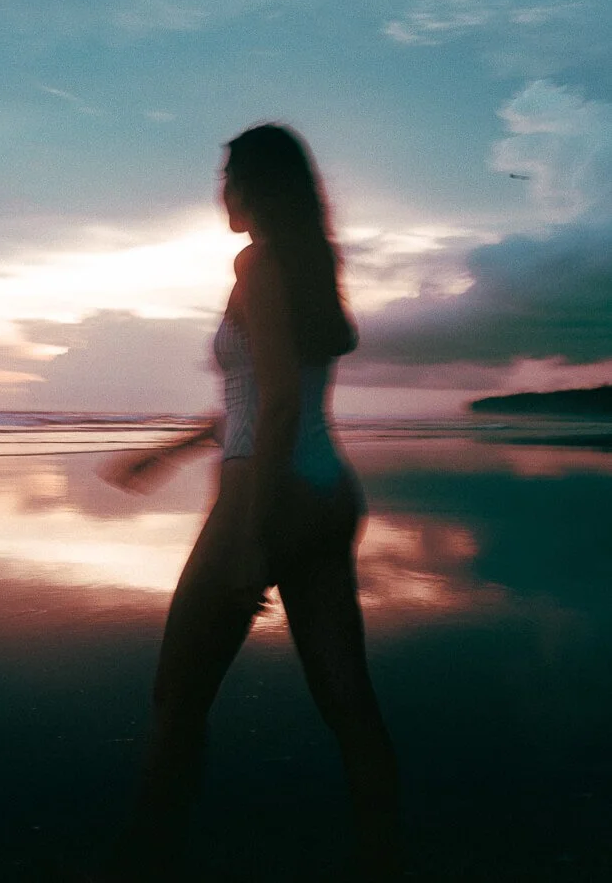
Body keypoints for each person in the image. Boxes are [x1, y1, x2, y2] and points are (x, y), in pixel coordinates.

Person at [102, 125, 402, 882]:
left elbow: (266, 410)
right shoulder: (309, 268)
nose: (220, 192)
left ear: (258, 187)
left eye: (229, 177)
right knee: (347, 703)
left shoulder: (256, 264)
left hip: (264, 496)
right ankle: (385, 858)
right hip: (328, 488)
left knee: (177, 700)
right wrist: (165, 454)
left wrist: (247, 540)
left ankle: (143, 865)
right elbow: (259, 398)